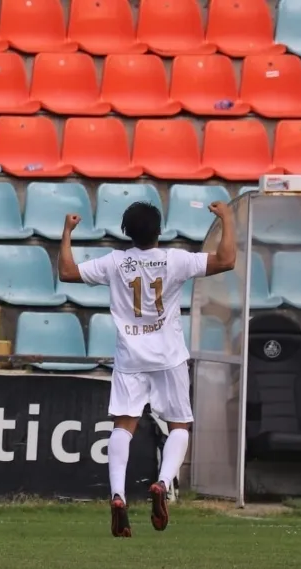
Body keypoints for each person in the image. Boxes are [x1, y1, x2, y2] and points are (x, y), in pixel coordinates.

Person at [57, 201, 236, 537]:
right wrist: (226, 217)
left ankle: (118, 494)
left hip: (130, 359)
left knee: (123, 427)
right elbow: (227, 260)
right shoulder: (175, 259)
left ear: (126, 232)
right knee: (179, 425)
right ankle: (162, 483)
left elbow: (67, 271)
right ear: (160, 230)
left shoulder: (115, 263)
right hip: (168, 356)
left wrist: (67, 232)